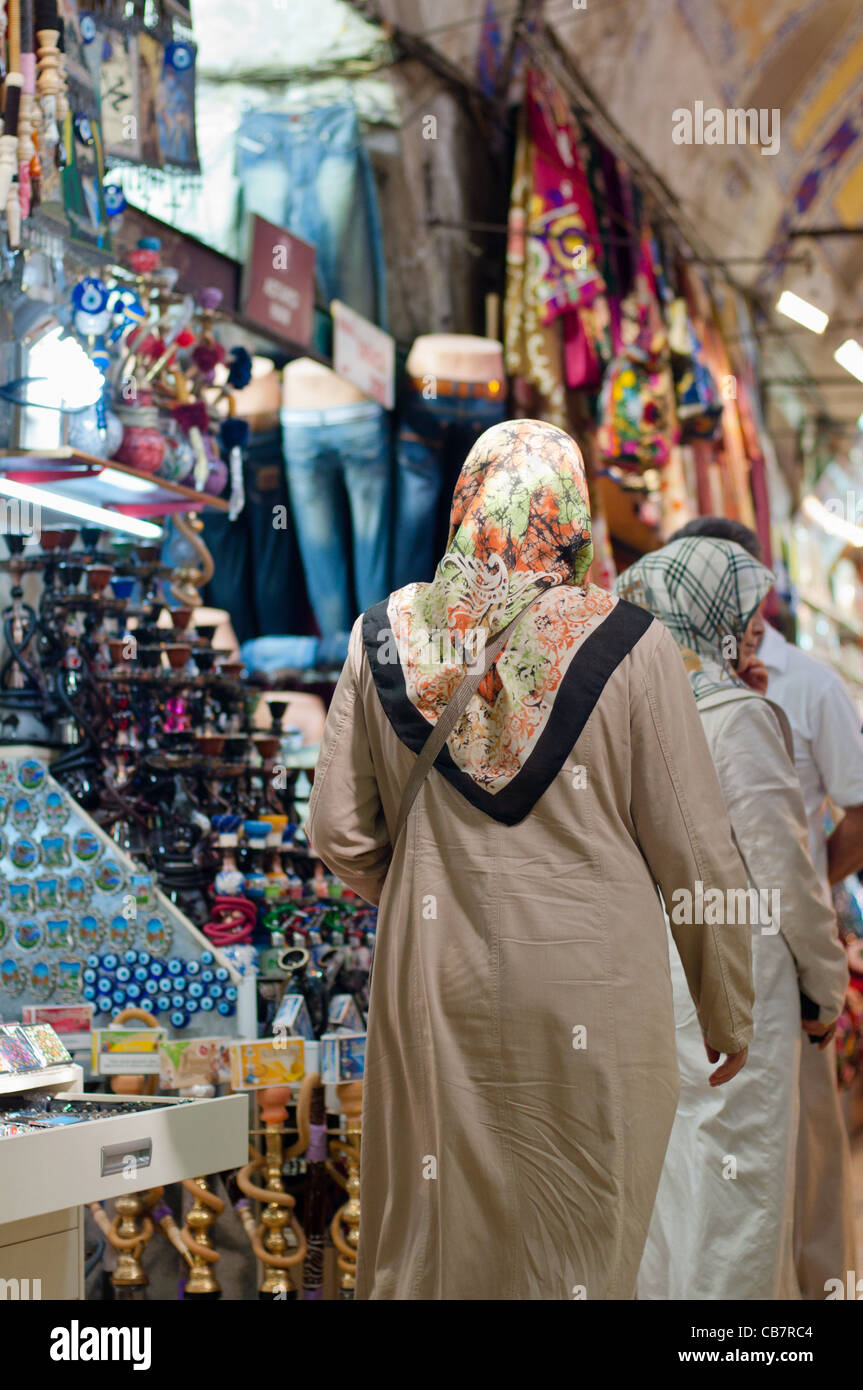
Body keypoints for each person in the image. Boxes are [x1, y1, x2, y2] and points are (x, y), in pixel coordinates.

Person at [307, 419, 754, 1300]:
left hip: (430, 982)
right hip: (589, 984)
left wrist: (425, 883)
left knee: (434, 1239)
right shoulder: (630, 642)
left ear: (465, 504)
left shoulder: (382, 635)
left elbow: (340, 832)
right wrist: (726, 1005)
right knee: (577, 1228)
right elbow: (695, 852)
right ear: (570, 511)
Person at [620, 536, 848, 1299]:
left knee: (674, 1186)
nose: (756, 623)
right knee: (739, 1191)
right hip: (739, 979)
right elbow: (782, 871)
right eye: (743, 608)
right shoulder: (736, 716)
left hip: (658, 970)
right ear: (705, 611)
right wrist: (824, 987)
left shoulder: (633, 714)